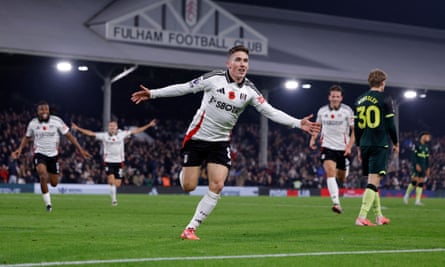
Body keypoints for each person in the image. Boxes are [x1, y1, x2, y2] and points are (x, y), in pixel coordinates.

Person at [131, 45, 321, 240]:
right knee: (189, 186)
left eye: (245, 61)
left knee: (218, 185)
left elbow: (270, 111)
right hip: (197, 137)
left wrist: (298, 123)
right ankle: (187, 171)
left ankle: (191, 228)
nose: (242, 64)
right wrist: (153, 94)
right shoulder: (213, 79)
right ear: (228, 63)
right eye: (238, 60)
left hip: (220, 142)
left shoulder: (250, 90)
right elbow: (185, 88)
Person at [11, 101, 91, 212]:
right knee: (43, 176)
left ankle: (47, 175)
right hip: (39, 154)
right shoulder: (33, 123)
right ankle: (48, 204)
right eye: (41, 109)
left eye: (46, 109)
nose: (44, 111)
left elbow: (69, 136)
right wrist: (19, 149)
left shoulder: (57, 121)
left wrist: (81, 150)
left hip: (53, 156)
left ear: (49, 111)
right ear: (37, 111)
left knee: (54, 183)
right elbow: (27, 137)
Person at [71, 119, 157, 206]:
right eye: (110, 126)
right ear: (108, 127)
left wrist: (149, 125)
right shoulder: (104, 135)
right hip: (108, 161)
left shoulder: (122, 134)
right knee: (111, 182)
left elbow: (136, 131)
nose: (112, 128)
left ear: (117, 127)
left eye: (114, 126)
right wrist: (78, 128)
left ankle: (112, 192)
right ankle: (114, 200)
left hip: (119, 162)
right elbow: (90, 133)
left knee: (117, 184)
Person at [353, 69, 399, 226]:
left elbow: (357, 128)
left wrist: (358, 147)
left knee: (373, 181)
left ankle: (379, 216)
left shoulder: (359, 100)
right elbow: (391, 125)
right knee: (373, 182)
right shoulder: (385, 98)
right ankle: (361, 216)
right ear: (382, 82)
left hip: (365, 144)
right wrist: (396, 142)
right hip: (379, 143)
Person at [309, 85, 354, 214]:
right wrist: (312, 139)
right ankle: (336, 203)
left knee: (342, 178)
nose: (335, 98)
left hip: (343, 149)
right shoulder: (322, 111)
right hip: (327, 147)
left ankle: (346, 165)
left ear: (341, 98)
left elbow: (354, 131)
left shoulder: (347, 111)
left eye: (337, 96)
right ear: (329, 97)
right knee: (330, 172)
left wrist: (350, 146)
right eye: (333, 96)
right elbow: (317, 126)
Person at [403, 131, 431, 206]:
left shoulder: (426, 148)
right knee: (415, 181)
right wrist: (416, 165)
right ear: (423, 136)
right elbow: (413, 156)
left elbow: (427, 159)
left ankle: (417, 201)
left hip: (423, 167)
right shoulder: (416, 145)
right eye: (427, 136)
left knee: (421, 182)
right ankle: (406, 195)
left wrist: (428, 168)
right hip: (416, 166)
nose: (429, 138)